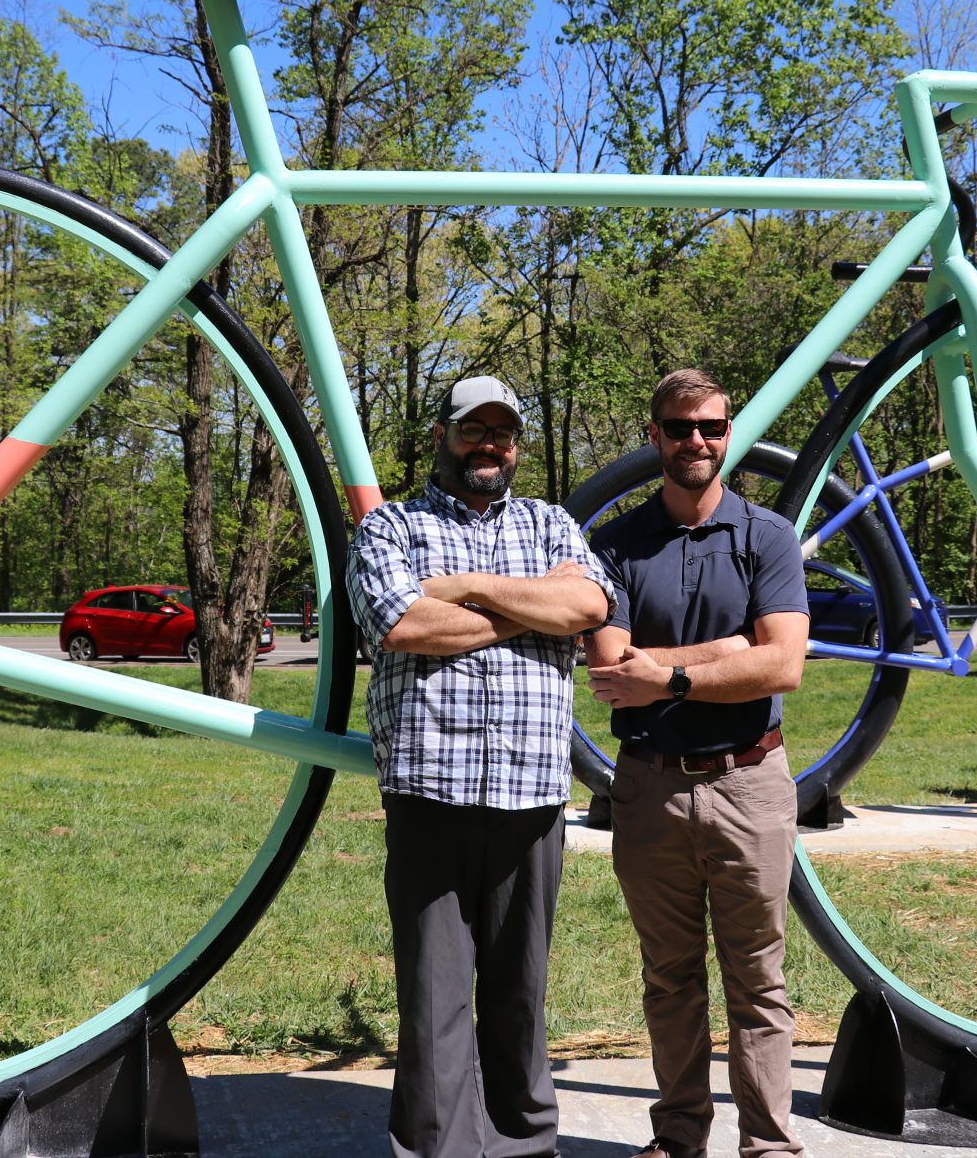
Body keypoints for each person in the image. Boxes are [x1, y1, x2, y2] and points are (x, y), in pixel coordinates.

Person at [346, 375, 616, 1158]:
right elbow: (398, 621)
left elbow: (587, 606)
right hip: (431, 788)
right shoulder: (391, 527)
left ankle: (525, 1144)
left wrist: (465, 589)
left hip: (532, 793)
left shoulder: (550, 522)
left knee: (519, 992)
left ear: (518, 444)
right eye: (473, 429)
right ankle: (442, 1149)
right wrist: (528, 612)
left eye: (503, 431)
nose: (489, 444)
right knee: (433, 997)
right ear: (442, 434)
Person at [585, 369, 811, 1158]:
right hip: (648, 787)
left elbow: (783, 666)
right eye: (680, 428)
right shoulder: (612, 543)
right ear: (654, 436)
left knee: (758, 979)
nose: (697, 442)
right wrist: (729, 649)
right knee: (669, 976)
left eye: (712, 427)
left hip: (751, 781)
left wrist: (674, 673)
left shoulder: (767, 536)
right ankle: (680, 1136)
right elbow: (613, 668)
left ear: (729, 434)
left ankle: (769, 1145)